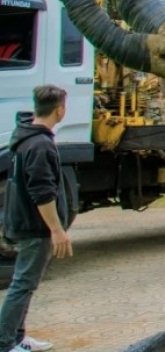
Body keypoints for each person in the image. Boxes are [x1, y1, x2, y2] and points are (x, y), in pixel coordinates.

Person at [1, 85, 73, 352]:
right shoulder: (40, 144)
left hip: (25, 221)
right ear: (60, 110)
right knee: (23, 284)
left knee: (26, 283)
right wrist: (56, 229)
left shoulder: (26, 135)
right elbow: (42, 193)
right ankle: (6, 343)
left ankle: (18, 338)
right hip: (35, 225)